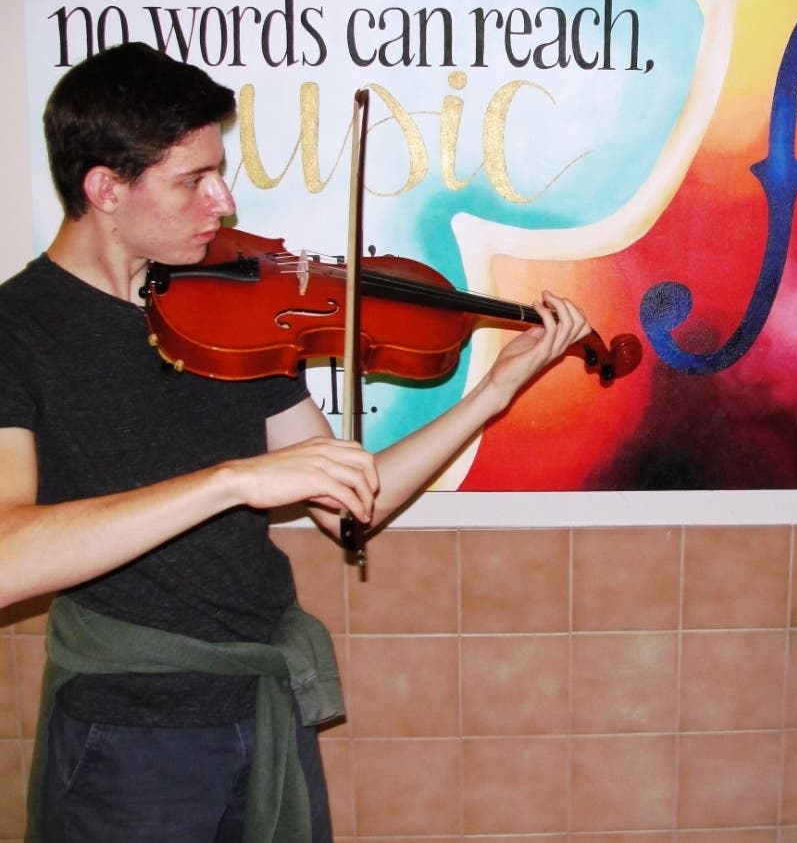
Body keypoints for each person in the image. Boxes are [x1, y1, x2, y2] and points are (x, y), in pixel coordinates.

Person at [2, 42, 594, 843]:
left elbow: (353, 505)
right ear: (105, 188)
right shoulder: (18, 330)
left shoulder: (234, 308)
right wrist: (232, 480)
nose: (225, 202)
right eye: (193, 180)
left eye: (221, 170)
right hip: (125, 737)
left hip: (260, 706)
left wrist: (494, 393)